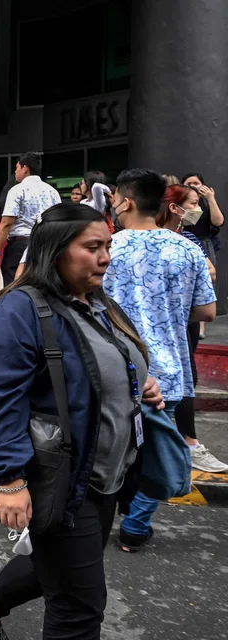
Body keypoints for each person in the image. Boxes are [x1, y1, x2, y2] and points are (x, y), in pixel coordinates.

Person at [0, 203, 166, 640]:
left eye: (107, 246)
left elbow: (103, 367)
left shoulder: (95, 302)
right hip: (63, 478)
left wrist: (140, 385)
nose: (105, 257)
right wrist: (10, 480)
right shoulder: (20, 310)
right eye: (92, 247)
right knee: (79, 610)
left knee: (59, 564)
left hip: (107, 474)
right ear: (55, 251)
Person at [102, 169, 217, 553]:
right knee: (161, 448)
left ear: (127, 201)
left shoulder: (106, 248)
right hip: (166, 370)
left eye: (116, 199)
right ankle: (136, 526)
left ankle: (95, 520)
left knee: (106, 445)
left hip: (112, 366)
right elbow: (207, 311)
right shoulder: (188, 248)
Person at [156, 185, 226, 473]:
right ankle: (187, 443)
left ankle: (185, 442)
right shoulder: (162, 240)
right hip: (172, 322)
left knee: (186, 379)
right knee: (174, 383)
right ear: (174, 208)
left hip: (186, 322)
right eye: (193, 203)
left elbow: (210, 270)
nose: (197, 209)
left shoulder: (188, 238)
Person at [0, 153, 61, 286]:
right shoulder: (52, 192)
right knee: (42, 284)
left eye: (17, 168)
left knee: (15, 285)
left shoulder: (17, 190)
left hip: (21, 245)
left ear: (25, 168)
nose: (15, 172)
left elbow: (6, 223)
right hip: (45, 244)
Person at [182, 172, 223, 340]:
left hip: (204, 244)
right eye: (189, 183)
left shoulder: (206, 202)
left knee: (204, 282)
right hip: (186, 241)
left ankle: (200, 326)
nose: (193, 186)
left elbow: (218, 221)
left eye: (196, 183)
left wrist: (211, 198)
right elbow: (186, 222)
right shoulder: (181, 203)